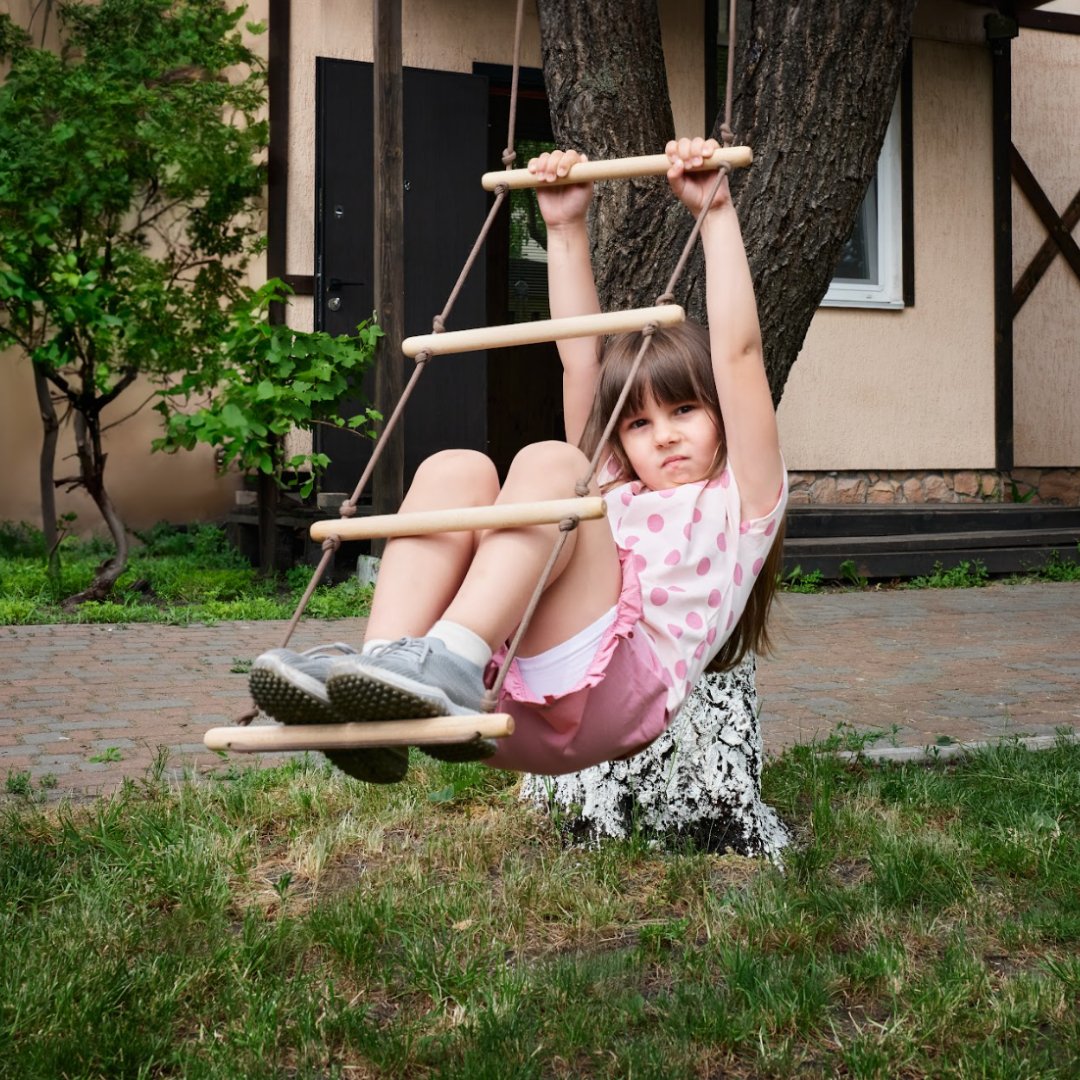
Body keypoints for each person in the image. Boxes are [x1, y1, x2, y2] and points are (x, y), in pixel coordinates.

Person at [248, 136, 787, 784]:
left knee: (554, 465)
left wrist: (718, 214)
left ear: (722, 416)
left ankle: (446, 656)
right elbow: (578, 356)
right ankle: (386, 672)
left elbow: (739, 356)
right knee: (456, 468)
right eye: (639, 424)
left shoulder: (743, 499)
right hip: (507, 692)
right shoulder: (618, 486)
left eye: (684, 412)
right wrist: (561, 227)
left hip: (604, 702)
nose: (664, 437)